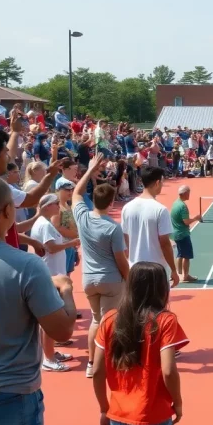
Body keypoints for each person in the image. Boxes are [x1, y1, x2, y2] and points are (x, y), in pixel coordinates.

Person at [0, 176, 76, 425]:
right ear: (7, 211)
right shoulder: (27, 266)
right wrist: (66, 289)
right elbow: (62, 330)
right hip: (12, 395)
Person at [93, 262, 188, 425]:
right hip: (152, 415)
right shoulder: (165, 320)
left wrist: (103, 408)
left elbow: (98, 371)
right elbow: (168, 371)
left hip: (118, 414)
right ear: (161, 288)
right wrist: (178, 402)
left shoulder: (109, 319)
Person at [0, 122, 64, 250]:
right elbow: (31, 199)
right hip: (0, 264)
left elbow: (1, 232)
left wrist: (30, 241)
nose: (8, 158)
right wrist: (50, 176)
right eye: (5, 154)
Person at [72, 154, 129, 379]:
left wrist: (89, 171)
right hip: (111, 280)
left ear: (93, 200)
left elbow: (76, 193)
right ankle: (107, 364)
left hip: (88, 280)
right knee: (111, 323)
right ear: (112, 202)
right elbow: (120, 259)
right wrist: (130, 279)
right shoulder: (113, 228)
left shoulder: (83, 217)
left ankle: (91, 362)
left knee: (96, 321)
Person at [31, 193, 82, 372]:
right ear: (46, 207)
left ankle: (51, 352)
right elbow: (50, 248)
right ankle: (49, 358)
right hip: (50, 277)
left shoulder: (45, 223)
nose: (58, 207)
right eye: (54, 204)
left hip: (53, 275)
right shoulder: (44, 225)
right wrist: (72, 243)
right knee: (49, 321)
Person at [121, 166, 178, 287]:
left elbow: (125, 238)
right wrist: (173, 269)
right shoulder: (160, 210)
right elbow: (164, 243)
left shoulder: (127, 208)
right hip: (156, 270)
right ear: (157, 182)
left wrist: (132, 258)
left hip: (135, 268)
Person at [170, 185, 201, 283]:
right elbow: (186, 222)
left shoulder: (175, 203)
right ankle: (186, 276)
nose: (189, 194)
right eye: (188, 192)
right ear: (184, 193)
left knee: (179, 254)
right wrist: (196, 218)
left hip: (175, 233)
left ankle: (177, 273)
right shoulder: (183, 206)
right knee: (186, 256)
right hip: (182, 234)